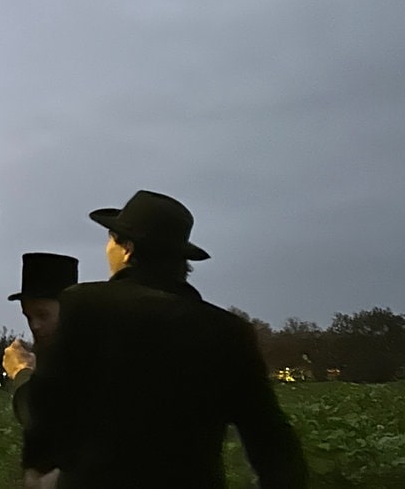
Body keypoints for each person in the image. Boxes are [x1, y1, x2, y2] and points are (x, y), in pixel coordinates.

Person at [21, 190, 308, 488]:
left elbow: (47, 405)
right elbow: (271, 439)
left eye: (111, 239)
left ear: (128, 249)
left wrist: (36, 470)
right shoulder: (228, 331)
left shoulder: (83, 305)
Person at [2, 253, 79, 430]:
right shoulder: (53, 358)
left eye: (43, 315)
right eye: (28, 317)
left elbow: (43, 420)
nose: (34, 326)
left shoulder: (87, 359)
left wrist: (22, 371)